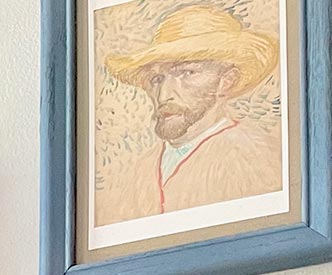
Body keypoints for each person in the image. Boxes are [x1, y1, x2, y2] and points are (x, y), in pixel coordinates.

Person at [96, 4, 281, 226]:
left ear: (226, 81)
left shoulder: (255, 156)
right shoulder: (141, 169)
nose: (164, 95)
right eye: (157, 79)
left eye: (186, 73)